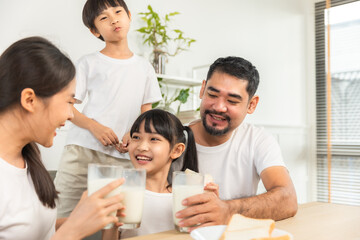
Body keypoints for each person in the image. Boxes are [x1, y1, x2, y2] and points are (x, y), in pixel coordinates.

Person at [0, 36, 125, 240]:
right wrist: (73, 231)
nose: (70, 114)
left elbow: (32, 232)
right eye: (69, 101)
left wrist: (83, 219)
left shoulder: (27, 160)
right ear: (30, 100)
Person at [54, 0, 162, 222]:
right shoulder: (87, 63)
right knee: (61, 214)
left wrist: (133, 135)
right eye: (103, 17)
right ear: (95, 31)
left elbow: (146, 114)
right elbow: (68, 106)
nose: (113, 19)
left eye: (118, 11)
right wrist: (95, 127)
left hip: (124, 157)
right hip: (82, 152)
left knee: (119, 221)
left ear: (129, 16)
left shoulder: (144, 68)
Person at [174, 56, 298, 230]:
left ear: (251, 104)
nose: (218, 107)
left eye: (232, 101)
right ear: (202, 89)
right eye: (212, 94)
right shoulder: (174, 139)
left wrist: (227, 210)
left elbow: (288, 199)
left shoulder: (258, 140)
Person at [103, 109, 218, 239]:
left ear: (176, 150)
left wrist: (210, 212)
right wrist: (111, 220)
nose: (142, 146)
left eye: (154, 139)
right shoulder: (120, 194)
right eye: (136, 137)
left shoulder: (186, 198)